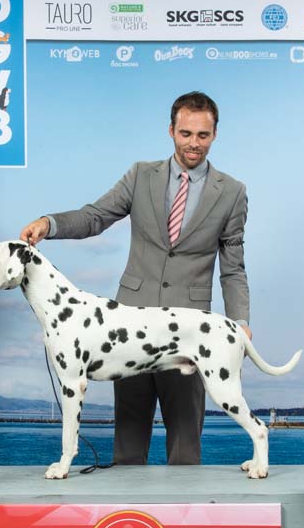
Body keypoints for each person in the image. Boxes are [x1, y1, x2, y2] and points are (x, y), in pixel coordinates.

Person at [20, 91, 251, 466]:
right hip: (128, 329)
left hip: (188, 332)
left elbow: (233, 267)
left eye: (203, 135)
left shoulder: (233, 192)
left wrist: (240, 321)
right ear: (171, 130)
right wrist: (50, 224)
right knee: (127, 447)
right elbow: (95, 216)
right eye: (186, 133)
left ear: (215, 135)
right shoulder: (141, 175)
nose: (194, 143)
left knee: (185, 451)